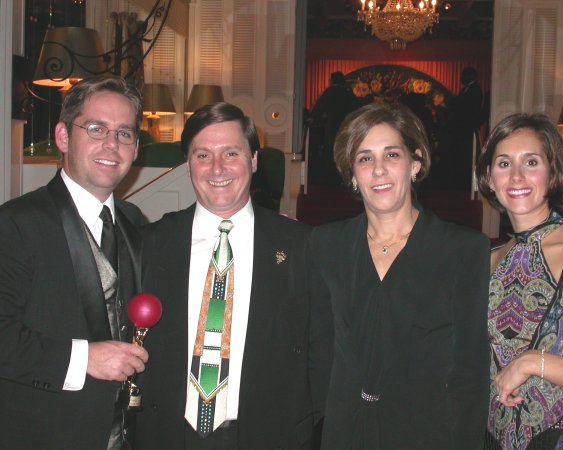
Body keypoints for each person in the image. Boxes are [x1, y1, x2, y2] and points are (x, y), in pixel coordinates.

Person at [136, 102, 332, 449]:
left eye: (231, 153)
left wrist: (296, 420)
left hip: (268, 435)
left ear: (254, 160)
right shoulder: (151, 244)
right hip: (168, 434)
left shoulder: (302, 246)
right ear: (188, 164)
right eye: (202, 155)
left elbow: (323, 349)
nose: (217, 168)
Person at [309, 103, 491, 449]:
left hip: (427, 435)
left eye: (391, 155)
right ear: (352, 173)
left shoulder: (463, 250)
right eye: (364, 158)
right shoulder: (326, 245)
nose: (378, 170)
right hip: (345, 434)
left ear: (415, 162)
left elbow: (471, 372)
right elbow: (319, 349)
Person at [0, 75, 148, 449]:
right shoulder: (16, 223)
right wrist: (84, 358)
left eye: (124, 134)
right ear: (63, 137)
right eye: (96, 128)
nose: (111, 145)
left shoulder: (135, 222)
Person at [475, 113, 563, 449]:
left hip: (562, 439)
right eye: (503, 163)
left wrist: (532, 363)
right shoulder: (488, 260)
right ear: (488, 178)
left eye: (531, 161)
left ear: (553, 171)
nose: (516, 176)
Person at [309, 71, 360, 185]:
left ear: (332, 81)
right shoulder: (348, 93)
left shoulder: (330, 92)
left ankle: (331, 177)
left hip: (332, 125)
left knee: (331, 149)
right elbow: (357, 109)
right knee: (343, 149)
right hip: (347, 126)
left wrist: (312, 117)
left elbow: (319, 108)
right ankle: (343, 176)